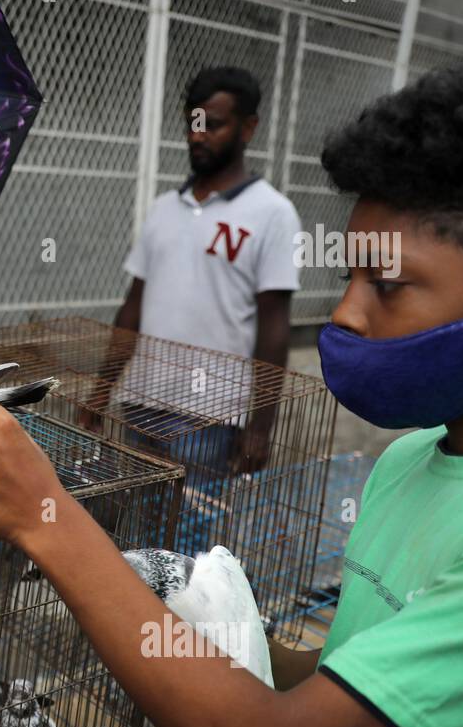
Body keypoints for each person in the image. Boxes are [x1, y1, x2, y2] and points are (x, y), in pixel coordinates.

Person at [0, 61, 463, 727]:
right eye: (350, 281)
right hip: (151, 405)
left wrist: (48, 520)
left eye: (387, 286)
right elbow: (346, 677)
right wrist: (202, 620)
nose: (346, 317)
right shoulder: (407, 461)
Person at [86, 67, 301, 484]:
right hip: (142, 405)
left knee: (190, 537)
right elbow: (132, 307)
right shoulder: (164, 207)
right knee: (135, 534)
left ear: (248, 128)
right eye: (193, 124)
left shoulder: (273, 214)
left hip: (211, 418)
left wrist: (259, 426)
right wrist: (103, 388)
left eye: (213, 125)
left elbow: (274, 326)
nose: (198, 136)